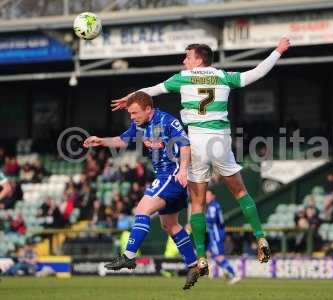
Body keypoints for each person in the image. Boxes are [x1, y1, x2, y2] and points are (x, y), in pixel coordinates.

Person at [111, 37, 291, 274]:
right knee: (240, 192)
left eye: (187, 56)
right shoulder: (223, 76)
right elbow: (257, 72)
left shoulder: (182, 79)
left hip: (196, 141)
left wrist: (130, 98)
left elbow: (152, 90)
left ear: (198, 59)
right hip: (220, 141)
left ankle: (202, 258)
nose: (184, 60)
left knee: (197, 205)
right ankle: (260, 237)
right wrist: (277, 51)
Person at [83, 91, 199, 290]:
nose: (132, 117)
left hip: (171, 175)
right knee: (170, 225)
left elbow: (185, 144)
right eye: (130, 114)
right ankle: (193, 265)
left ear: (148, 109)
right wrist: (101, 141)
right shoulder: (140, 125)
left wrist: (183, 169)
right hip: (166, 178)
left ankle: (128, 256)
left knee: (142, 209)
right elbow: (123, 140)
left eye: (135, 113)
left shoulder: (167, 121)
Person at [205, 189, 241, 284]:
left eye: (208, 195)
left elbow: (211, 219)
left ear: (213, 196)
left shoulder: (213, 206)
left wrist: (199, 219)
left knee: (218, 256)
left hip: (216, 235)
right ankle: (224, 271)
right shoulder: (212, 206)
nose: (206, 197)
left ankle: (234, 274)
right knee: (210, 253)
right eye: (206, 195)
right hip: (214, 234)